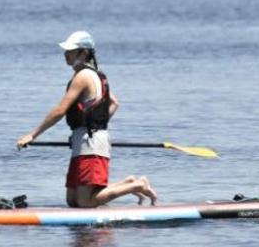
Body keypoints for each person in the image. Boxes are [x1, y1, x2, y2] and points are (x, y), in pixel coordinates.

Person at [16, 30, 159, 208]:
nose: (65, 54)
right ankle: (128, 182)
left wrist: (33, 135)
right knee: (72, 200)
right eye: (66, 50)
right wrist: (92, 125)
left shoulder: (83, 76)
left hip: (91, 144)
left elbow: (60, 110)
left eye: (70, 51)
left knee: (85, 202)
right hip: (84, 140)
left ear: (83, 53)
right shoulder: (96, 75)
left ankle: (137, 186)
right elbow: (114, 103)